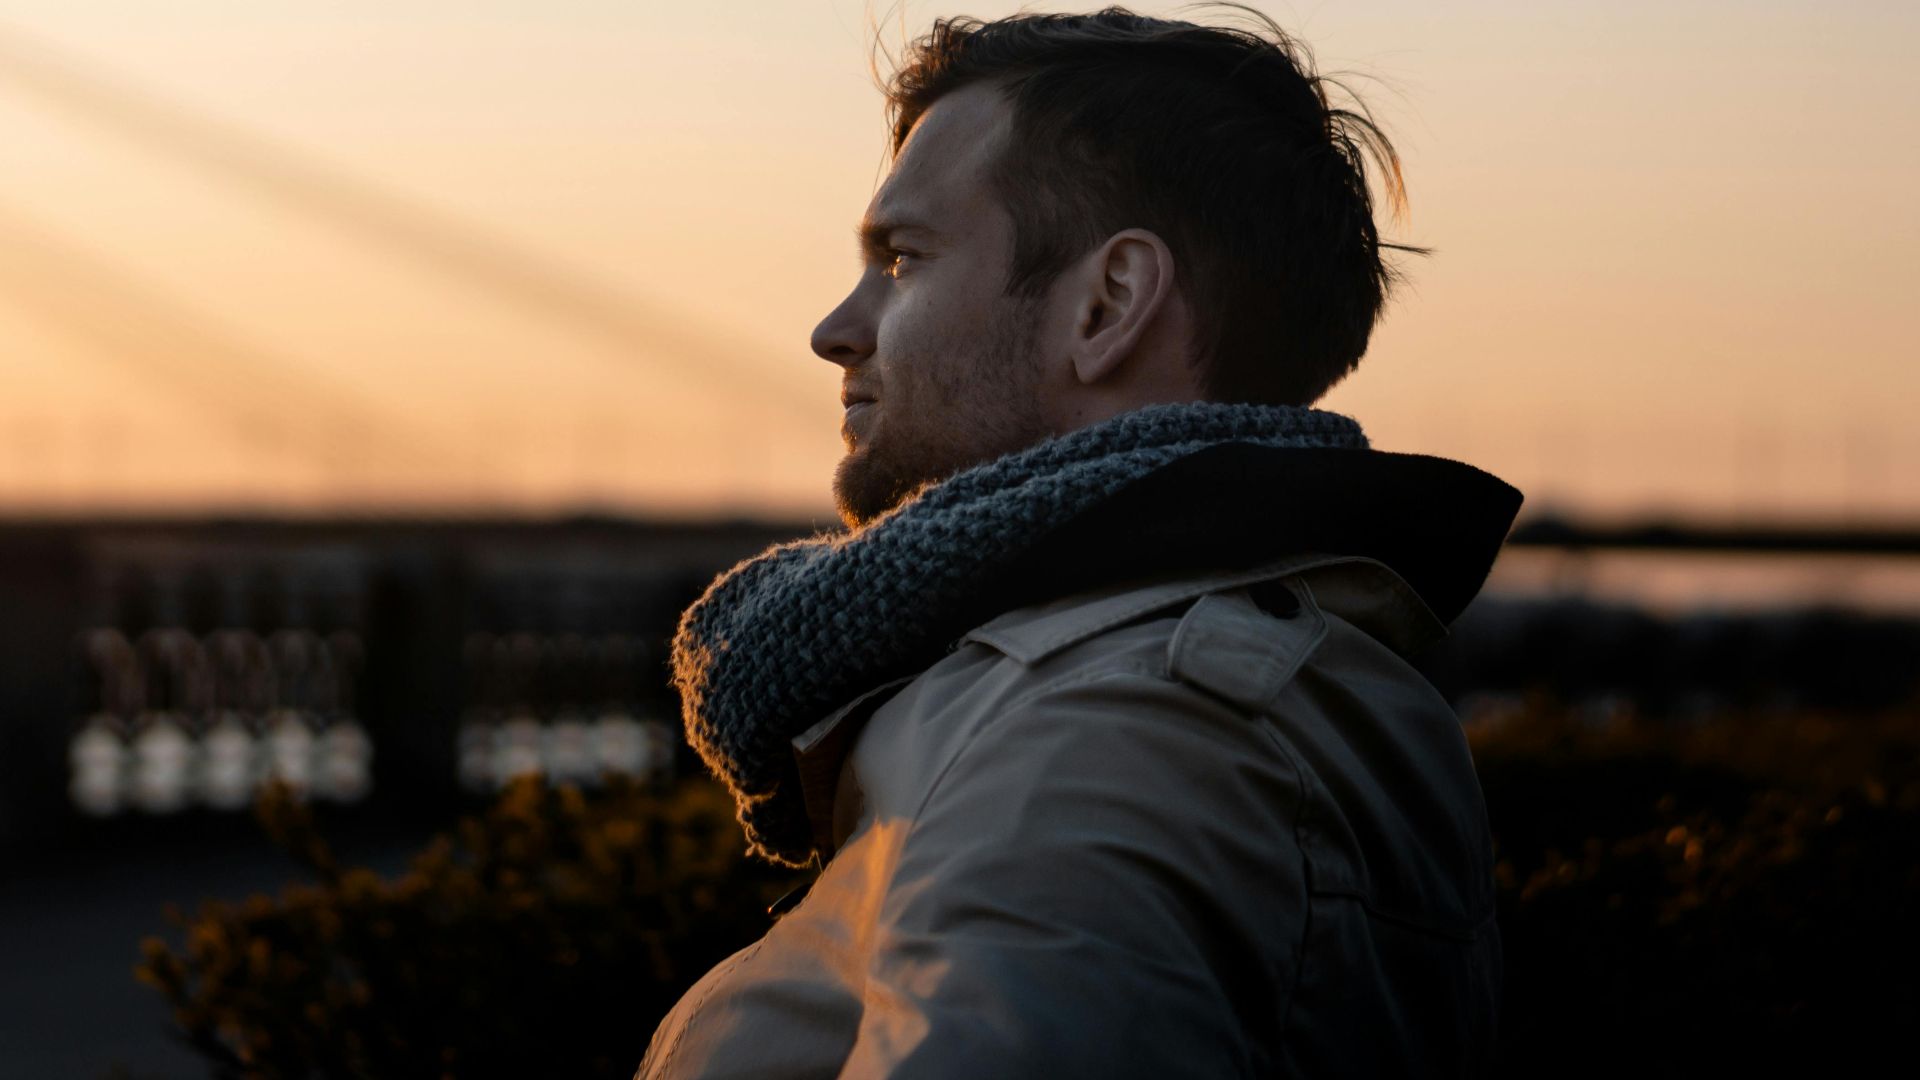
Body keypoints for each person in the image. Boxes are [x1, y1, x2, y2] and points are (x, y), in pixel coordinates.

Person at [640, 6, 1520, 1077]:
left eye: (902, 259)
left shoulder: (1113, 735)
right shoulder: (1152, 677)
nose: (836, 330)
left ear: (1107, 304)